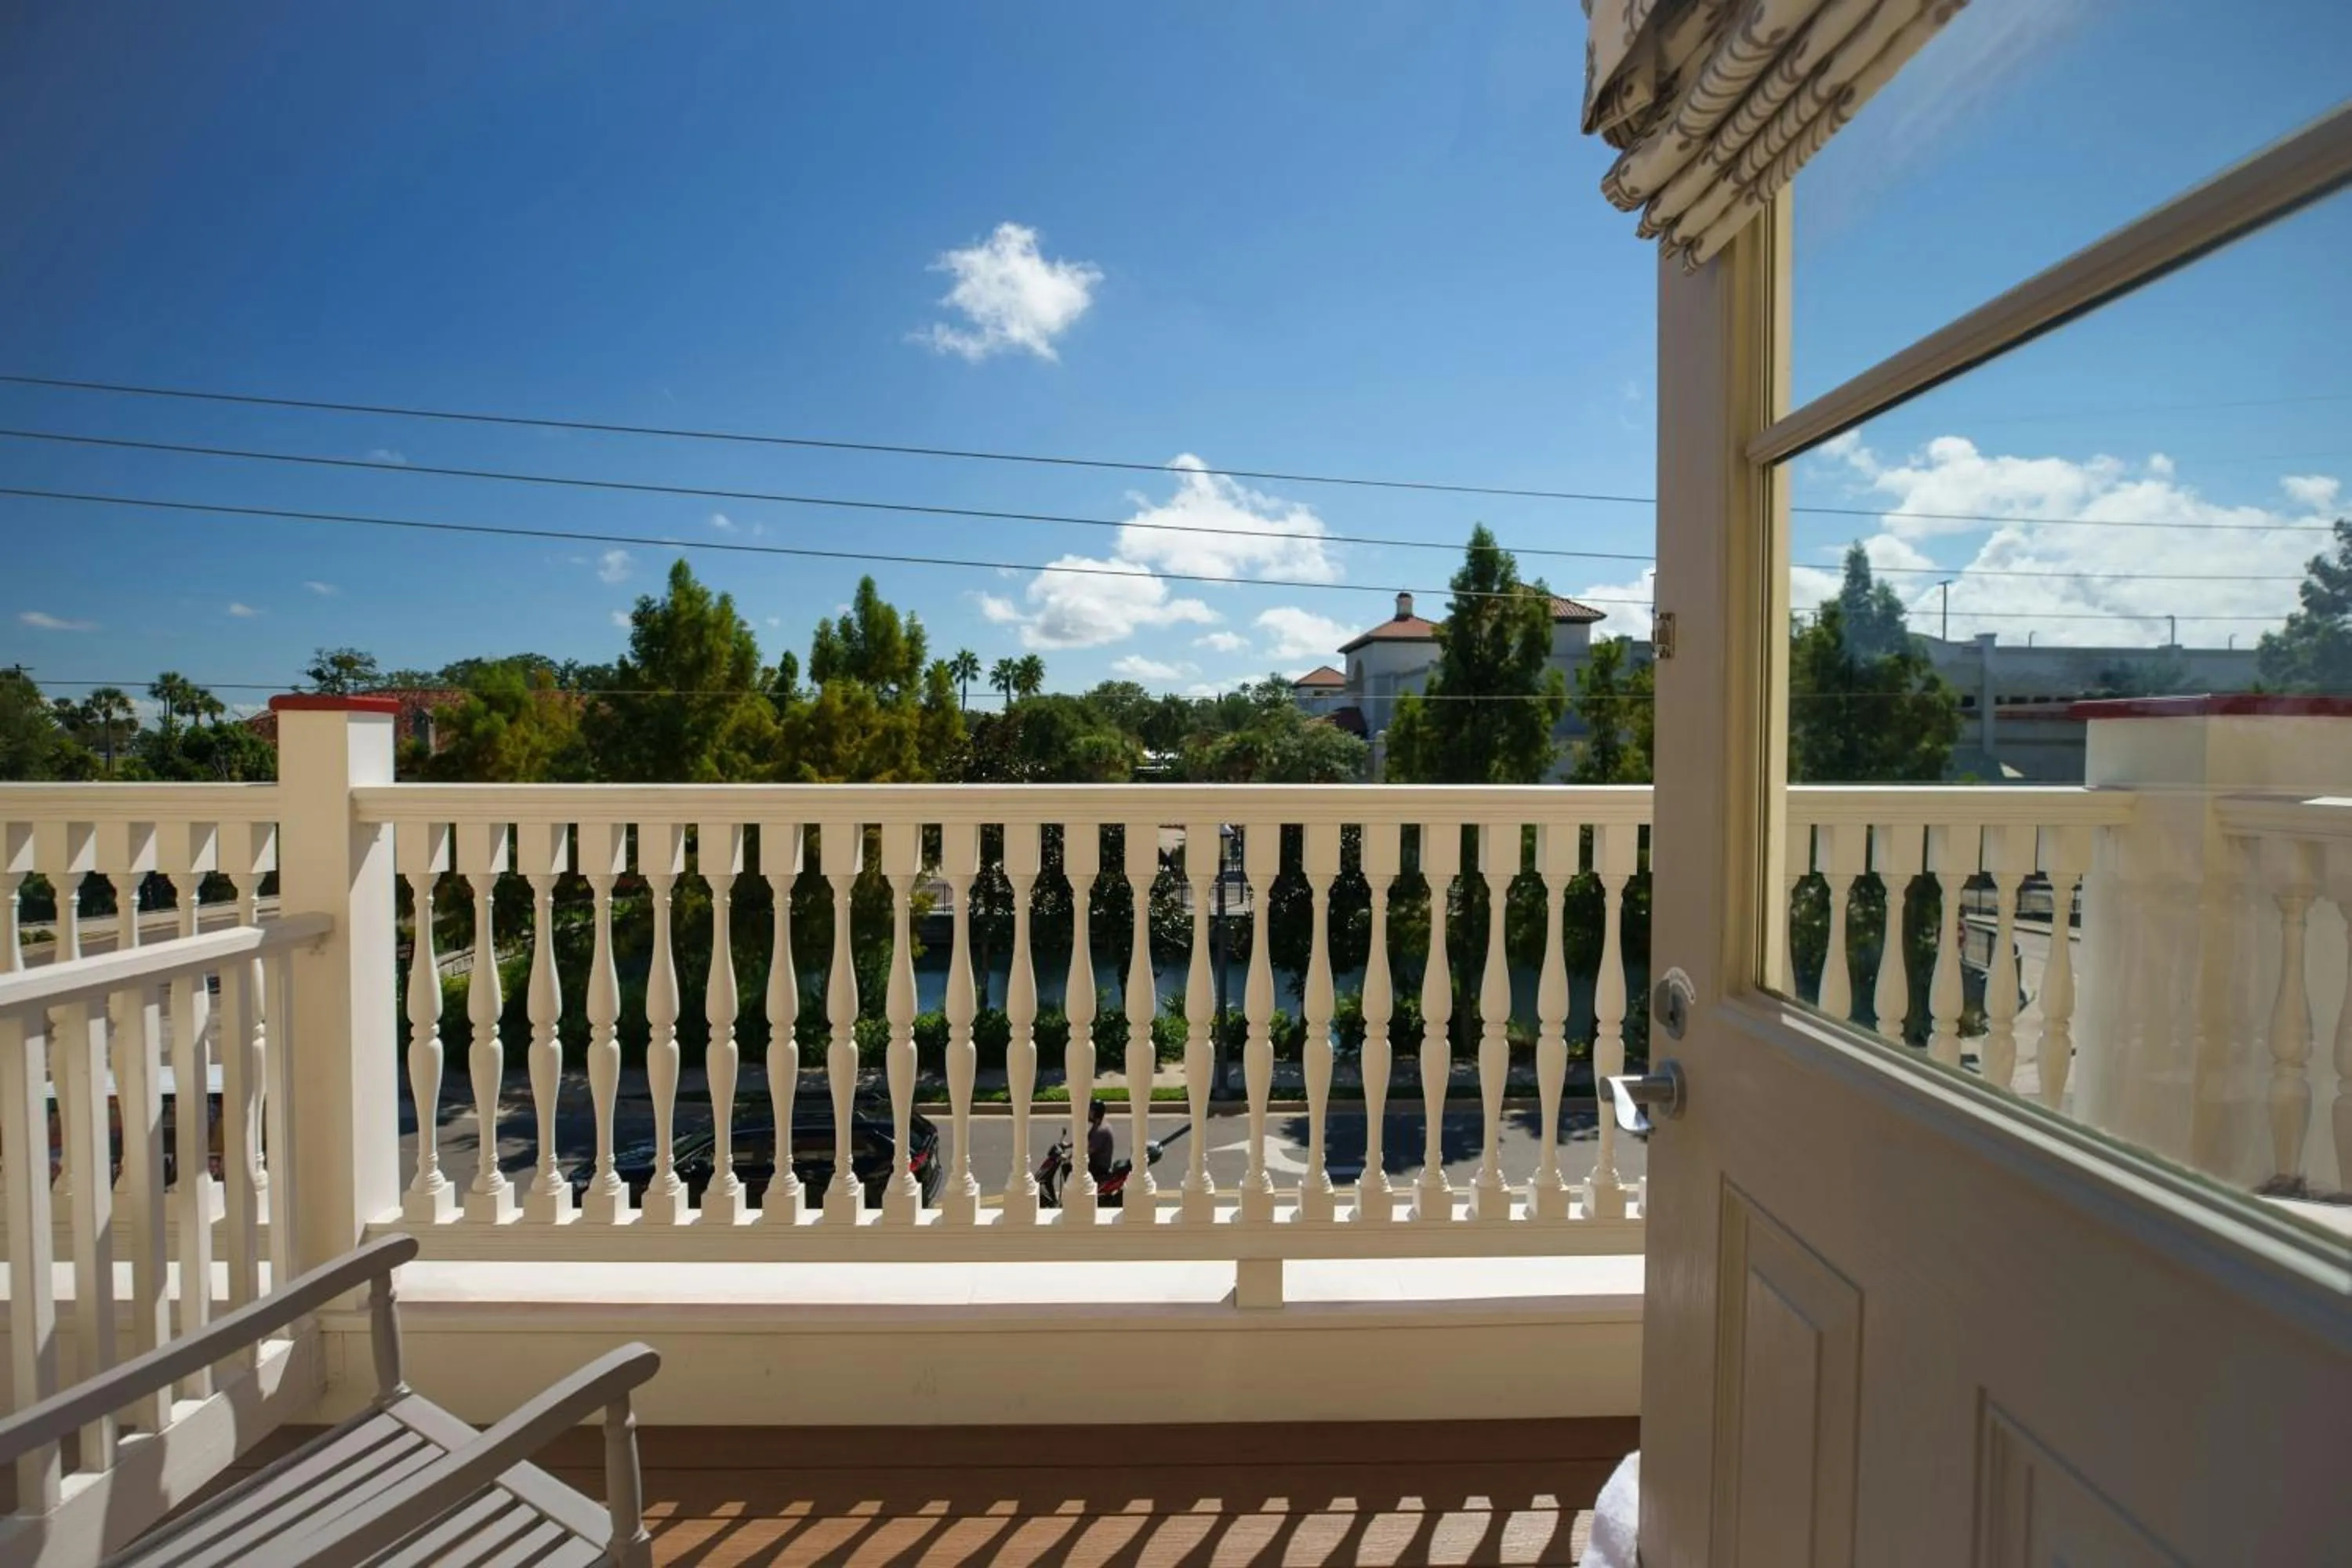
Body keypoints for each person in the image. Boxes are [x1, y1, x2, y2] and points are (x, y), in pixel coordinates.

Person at [1086, 1097, 1114, 1185]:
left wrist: (1071, 1157)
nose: (1088, 1113)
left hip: (1100, 1166)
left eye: (1090, 1111)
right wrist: (1069, 1145)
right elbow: (1086, 1139)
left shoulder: (1101, 1130)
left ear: (1096, 1113)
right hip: (1095, 1161)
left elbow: (1089, 1151)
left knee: (1075, 1168)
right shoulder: (1098, 1124)